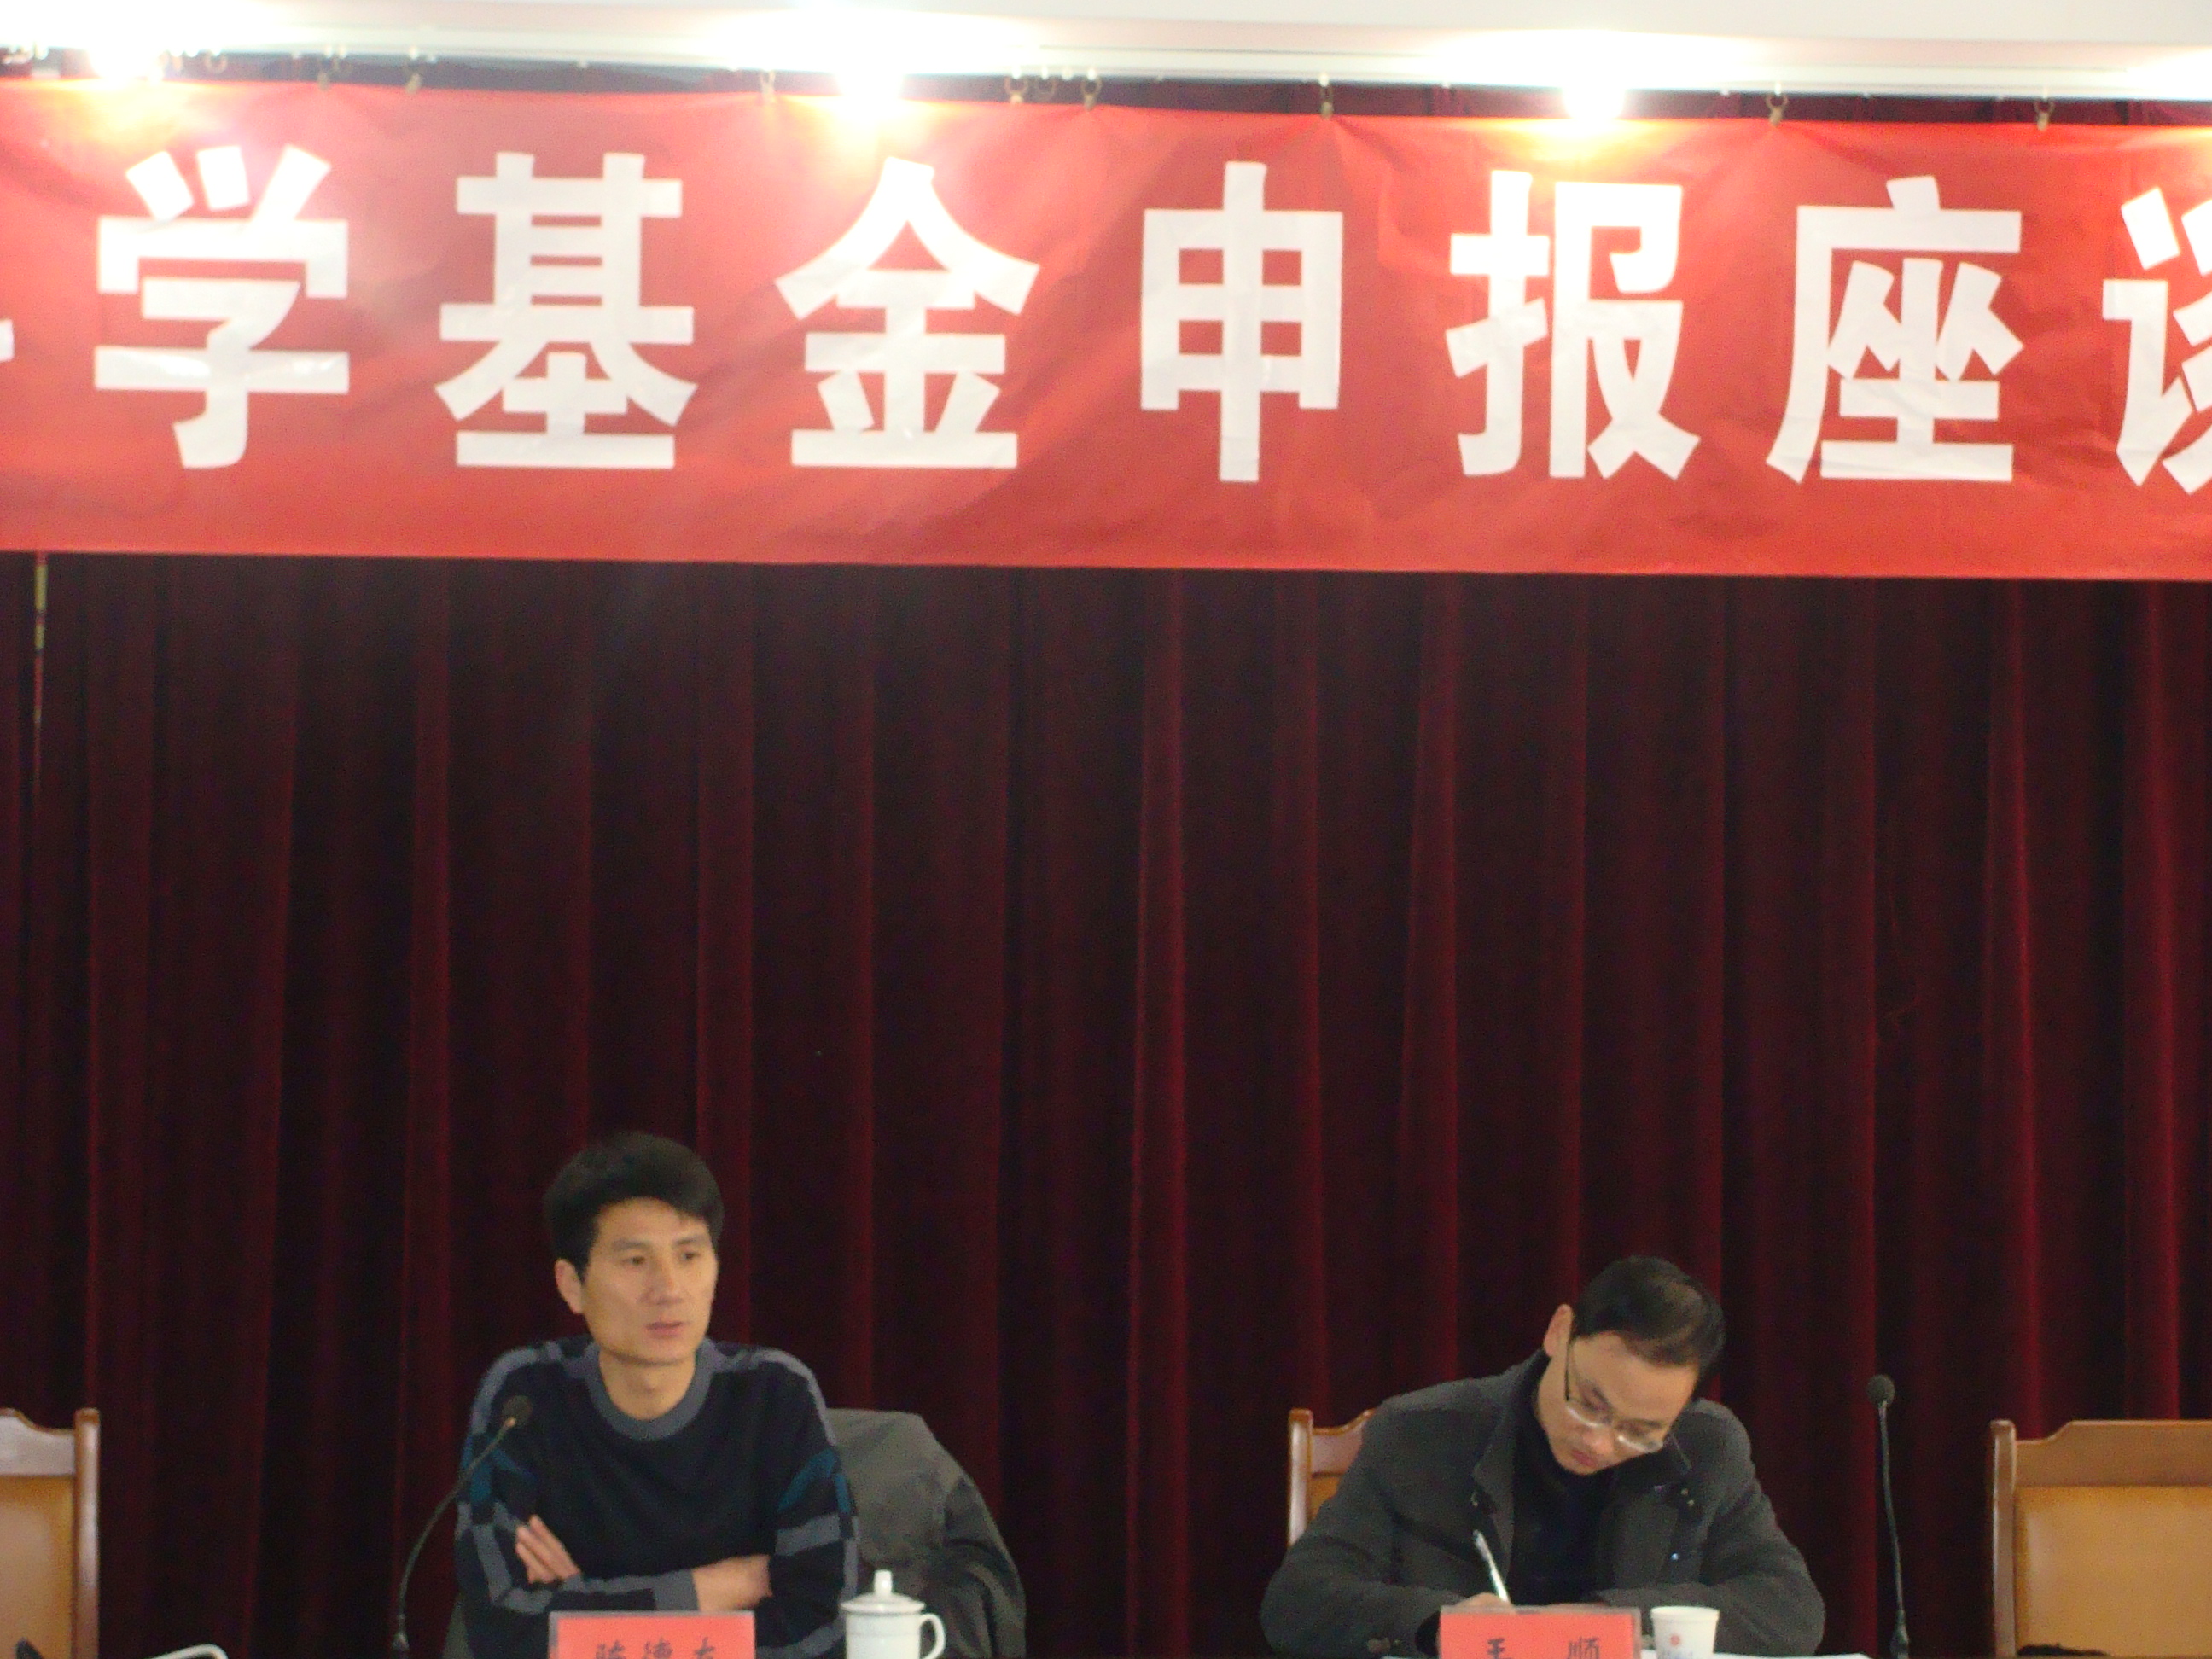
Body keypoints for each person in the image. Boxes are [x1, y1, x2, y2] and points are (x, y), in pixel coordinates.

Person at [1261, 1256, 1823, 1659]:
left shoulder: (1706, 1448)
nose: (1599, 1444)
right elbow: (1298, 1601)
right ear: (1560, 1332)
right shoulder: (1421, 1434)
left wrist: (1612, 1621)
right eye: (1590, 1405)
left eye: (1640, 1432)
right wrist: (1436, 1625)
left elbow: (1791, 1607)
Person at [456, 1134, 858, 1659]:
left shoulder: (776, 1397)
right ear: (572, 1285)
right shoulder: (525, 1398)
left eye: (689, 1255)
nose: (669, 1288)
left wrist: (592, 1622)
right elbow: (501, 1629)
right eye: (635, 1261)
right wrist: (714, 1590)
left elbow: (825, 1627)